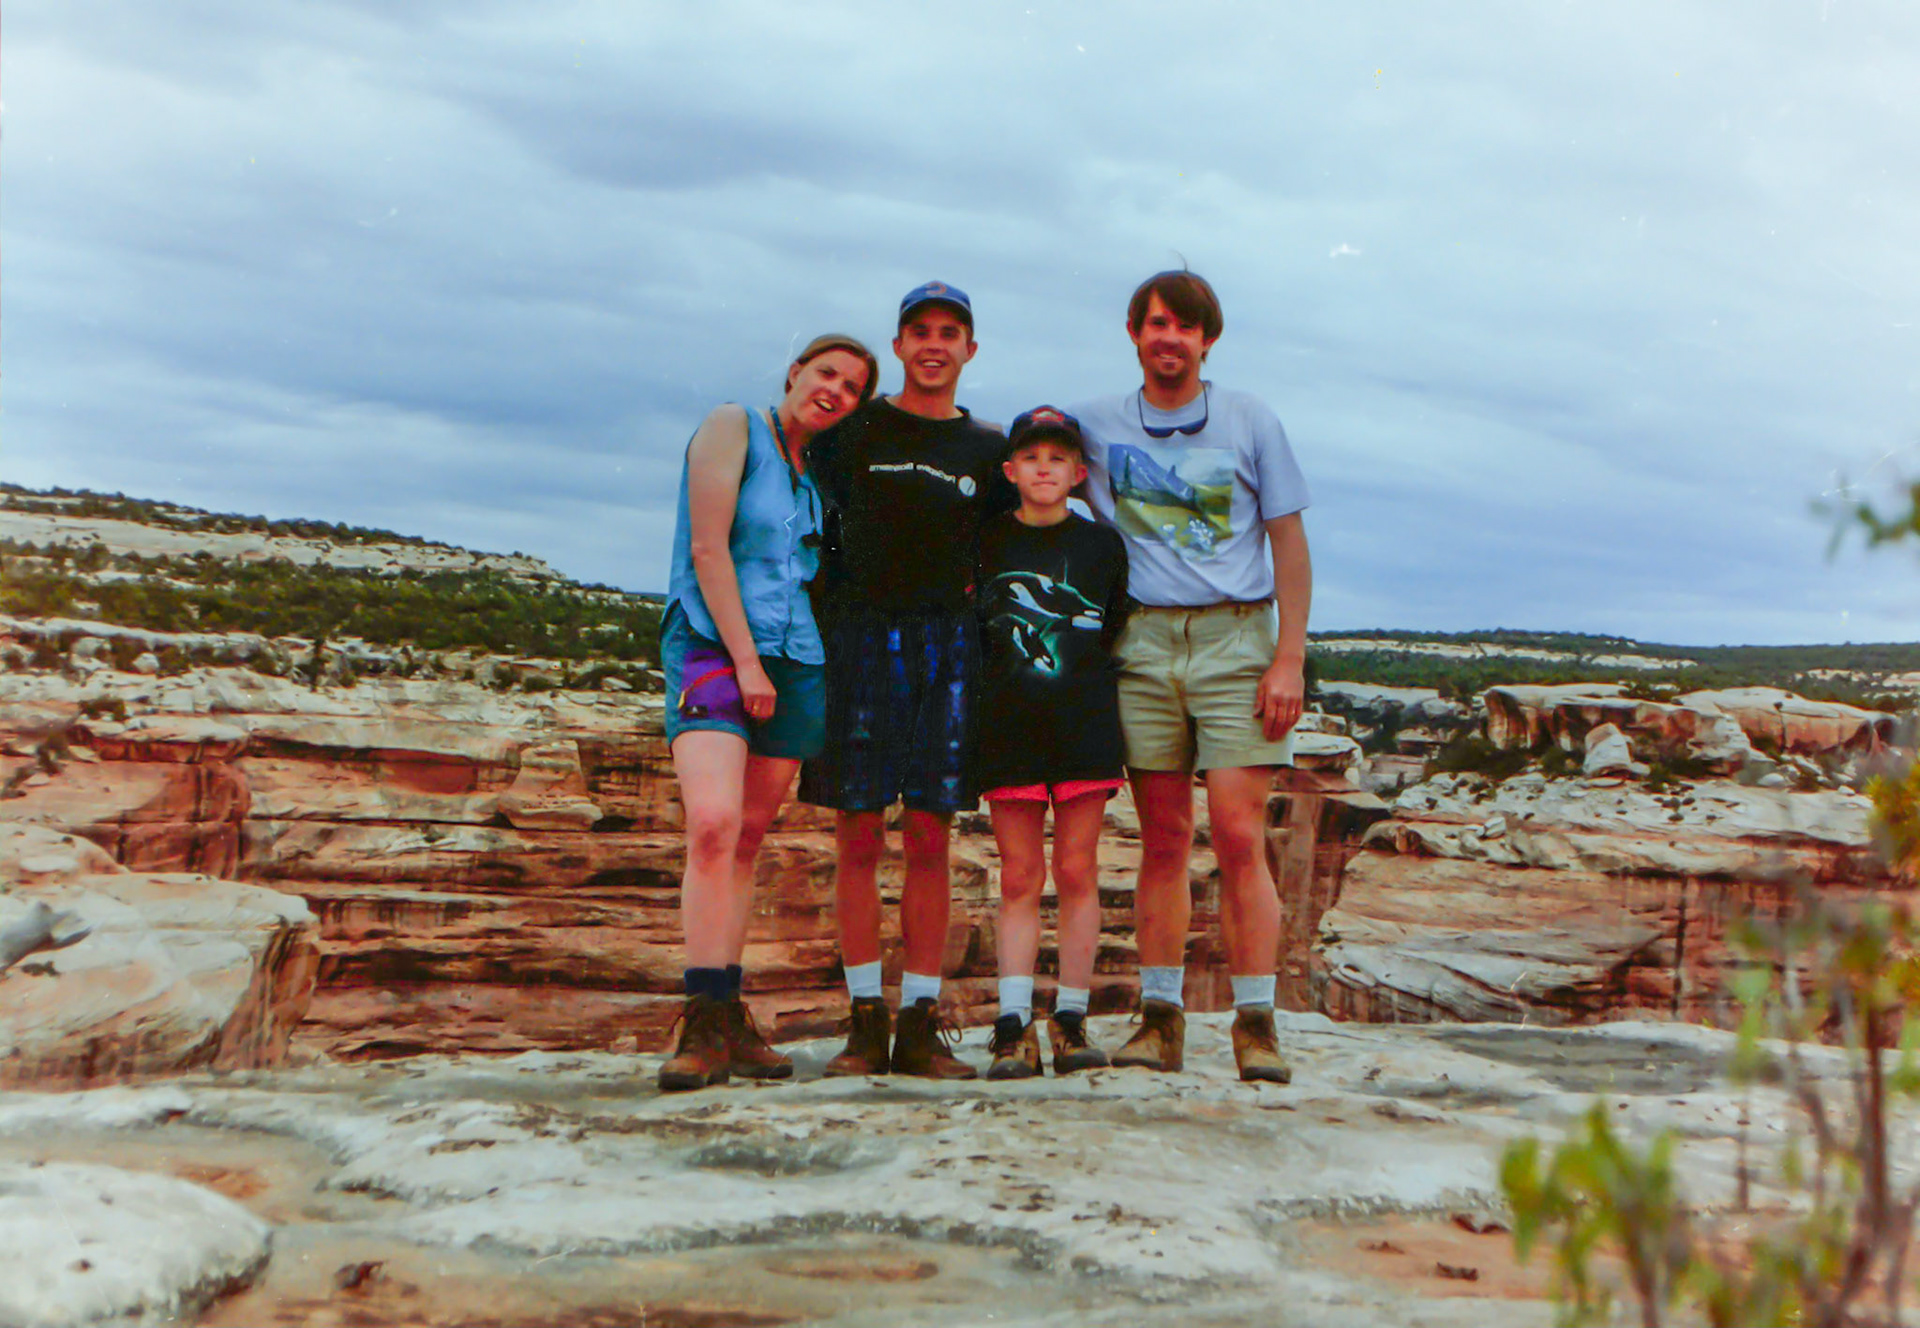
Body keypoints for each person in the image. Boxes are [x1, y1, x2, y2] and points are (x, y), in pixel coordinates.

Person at [1070, 269, 1312, 1084]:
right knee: (1165, 838)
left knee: (1241, 836)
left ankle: (1255, 1023)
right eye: (1155, 323)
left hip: (1236, 640)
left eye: (1185, 325)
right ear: (1133, 332)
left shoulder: (1249, 420)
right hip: (1141, 645)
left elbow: (1288, 540)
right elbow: (1027, 469)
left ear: (1207, 339)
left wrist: (1289, 657)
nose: (1169, 337)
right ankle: (1161, 1018)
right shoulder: (1096, 425)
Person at [656, 333, 880, 1092]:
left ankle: (727, 1013)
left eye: (852, 389)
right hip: (716, 645)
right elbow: (710, 552)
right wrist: (747, 661)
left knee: (748, 836)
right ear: (795, 372)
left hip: (800, 655)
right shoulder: (734, 427)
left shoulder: (810, 474)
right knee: (713, 823)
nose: (836, 392)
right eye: (827, 375)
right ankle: (698, 1016)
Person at [801, 281, 1011, 1079]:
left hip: (947, 649)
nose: (934, 343)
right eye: (918, 330)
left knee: (929, 833)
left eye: (950, 332)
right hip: (856, 639)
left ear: (969, 349)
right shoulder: (853, 430)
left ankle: (920, 1021)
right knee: (856, 831)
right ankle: (862, 1022)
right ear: (897, 346)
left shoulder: (989, 449)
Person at [973, 407, 1130, 1080]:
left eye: (1057, 458)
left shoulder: (1101, 546)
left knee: (1076, 869)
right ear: (1010, 471)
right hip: (1007, 725)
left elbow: (1114, 622)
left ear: (1078, 473)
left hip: (1083, 726)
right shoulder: (986, 541)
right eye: (1031, 457)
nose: (1044, 468)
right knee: (1017, 875)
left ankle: (1069, 1018)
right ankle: (1012, 1024)